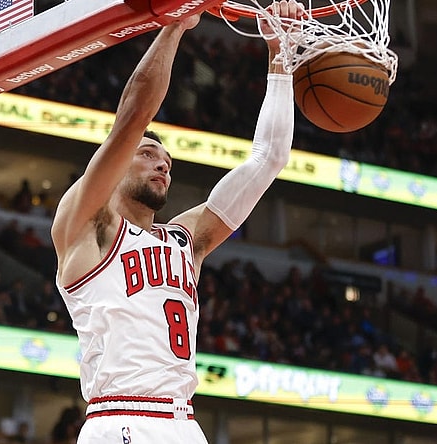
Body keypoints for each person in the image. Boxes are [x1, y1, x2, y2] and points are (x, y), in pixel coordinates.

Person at [50, 1, 302, 442]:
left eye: (167, 161)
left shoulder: (186, 243)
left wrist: (279, 53)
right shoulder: (88, 225)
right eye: (148, 154)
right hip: (121, 417)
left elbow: (268, 159)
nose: (162, 165)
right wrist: (176, 24)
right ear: (112, 165)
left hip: (184, 423)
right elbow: (132, 119)